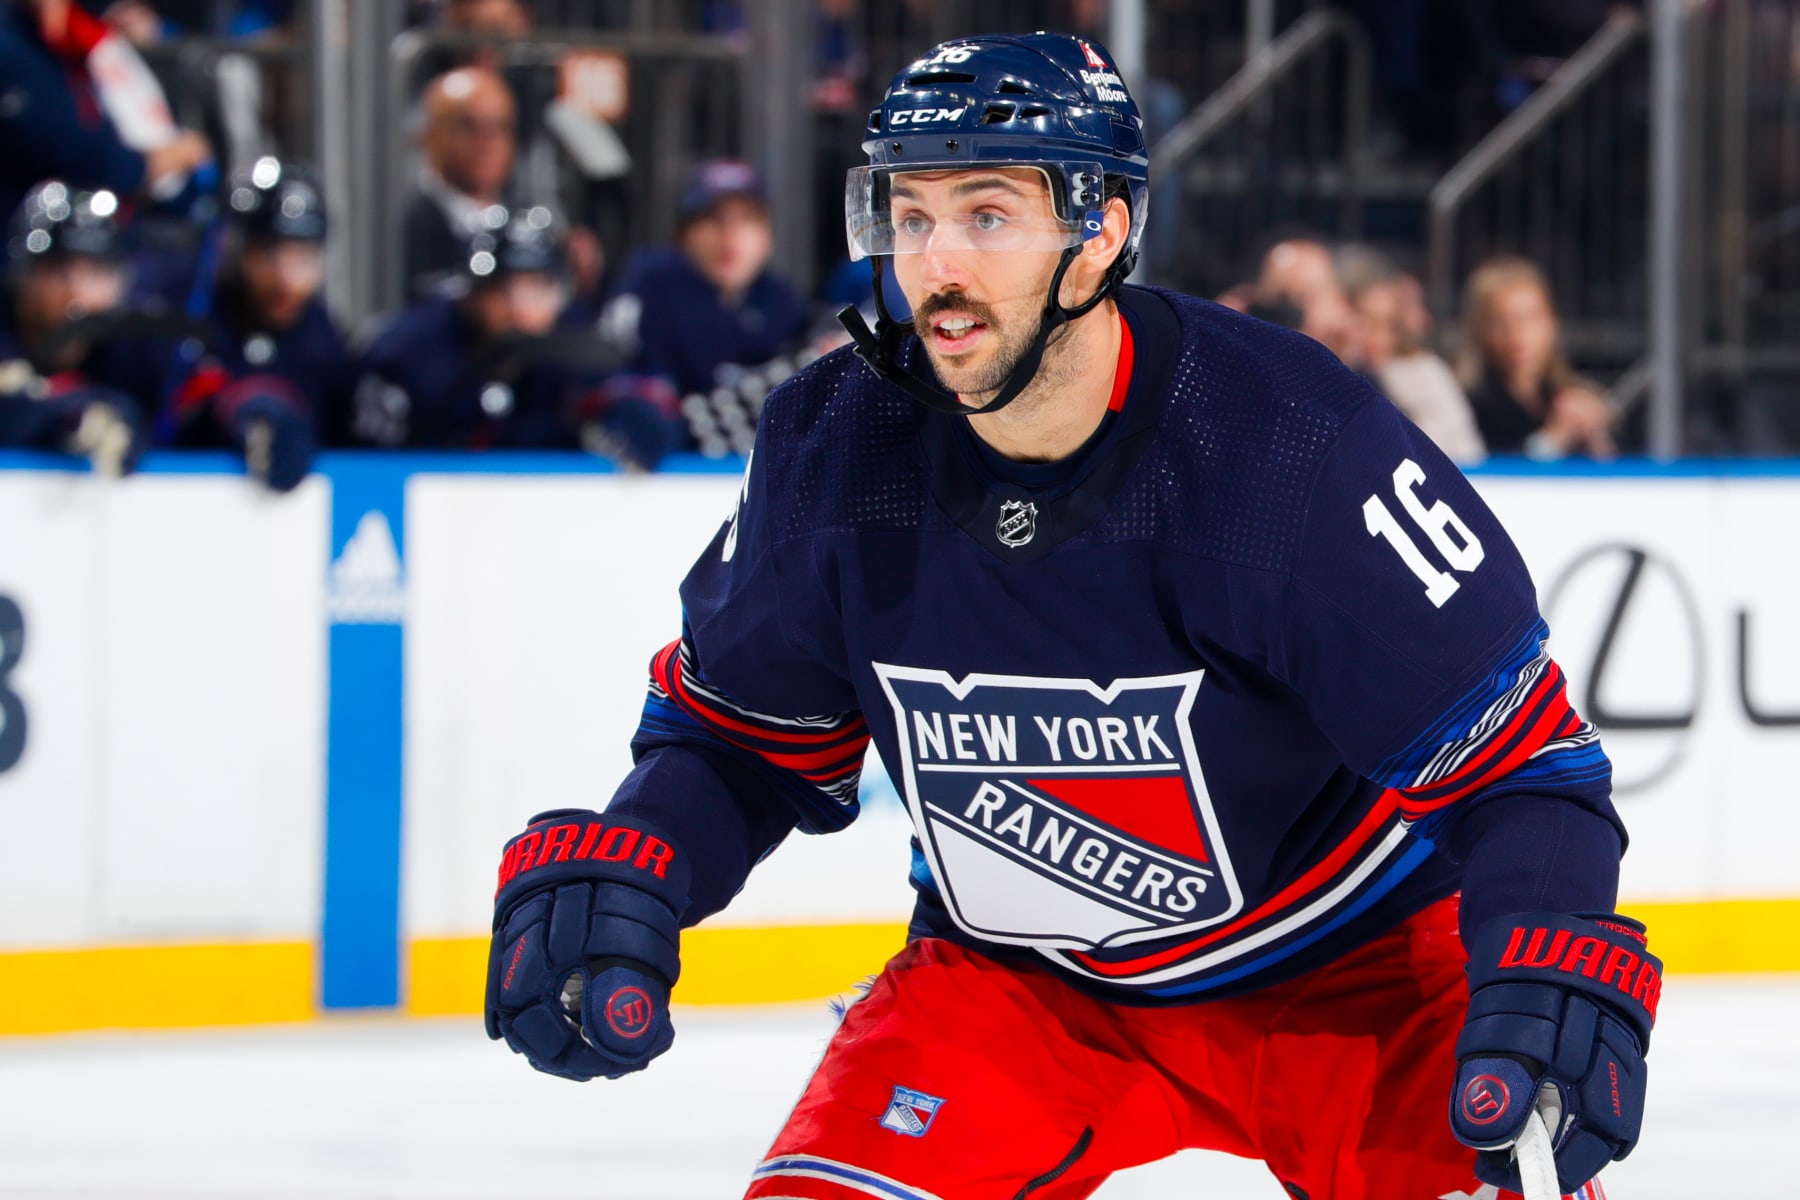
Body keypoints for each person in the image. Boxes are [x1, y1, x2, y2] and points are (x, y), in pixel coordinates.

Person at [482, 33, 1658, 1200]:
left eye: (988, 214)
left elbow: (1528, 775)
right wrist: (645, 866)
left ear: (1101, 231)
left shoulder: (1292, 449)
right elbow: (743, 740)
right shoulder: (832, 446)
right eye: (914, 213)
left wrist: (1539, 956)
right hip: (1015, 990)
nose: (937, 263)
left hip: (1356, 981)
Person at [140, 157, 345, 491]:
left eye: (304, 259)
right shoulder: (175, 306)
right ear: (232, 247)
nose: (286, 279)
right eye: (269, 255)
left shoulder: (320, 337)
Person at [594, 159, 810, 455]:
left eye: (746, 219)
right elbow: (609, 371)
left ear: (766, 236)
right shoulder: (652, 285)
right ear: (684, 232)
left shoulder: (782, 301)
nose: (730, 236)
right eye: (714, 219)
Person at [0, 0, 212, 221]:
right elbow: (68, 148)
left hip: (101, 212)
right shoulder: (12, 47)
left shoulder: (81, 31)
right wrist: (147, 164)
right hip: (31, 223)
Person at [0, 179, 148, 474]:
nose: (76, 293)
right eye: (58, 270)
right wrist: (66, 414)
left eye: (96, 272)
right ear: (23, 279)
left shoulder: (133, 352)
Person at [1339, 243, 1487, 464]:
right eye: (1366, 322)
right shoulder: (1332, 377)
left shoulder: (1422, 373)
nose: (1377, 338)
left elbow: (1451, 451)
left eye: (1387, 325)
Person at [1457, 255, 1615, 459]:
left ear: (1552, 322)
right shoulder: (1465, 406)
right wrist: (1552, 439)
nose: (1517, 335)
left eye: (1530, 319)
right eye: (1501, 323)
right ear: (1480, 330)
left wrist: (1597, 439)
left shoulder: (1572, 394)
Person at [403, 66, 518, 300]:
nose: (487, 143)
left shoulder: (522, 226)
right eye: (468, 126)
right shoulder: (402, 229)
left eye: (500, 127)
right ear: (430, 134)